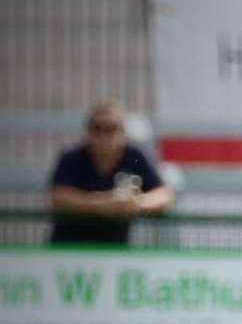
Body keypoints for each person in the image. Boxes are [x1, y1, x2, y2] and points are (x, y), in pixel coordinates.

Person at [47, 102, 175, 245]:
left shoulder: (135, 156)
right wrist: (104, 203)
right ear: (87, 131)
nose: (103, 135)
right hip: (70, 247)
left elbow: (164, 195)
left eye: (111, 129)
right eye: (97, 128)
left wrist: (138, 203)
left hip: (114, 251)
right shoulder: (71, 157)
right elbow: (58, 197)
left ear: (123, 131)